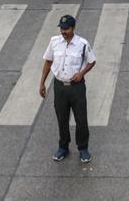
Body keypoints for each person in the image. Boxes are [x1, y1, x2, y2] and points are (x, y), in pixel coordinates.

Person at [39, 14, 96, 163]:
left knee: (81, 119)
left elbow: (92, 61)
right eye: (62, 28)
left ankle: (83, 148)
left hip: (77, 88)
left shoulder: (82, 44)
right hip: (60, 87)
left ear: (73, 28)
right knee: (62, 119)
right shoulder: (54, 42)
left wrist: (81, 73)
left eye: (66, 29)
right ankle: (63, 147)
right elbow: (48, 62)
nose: (63, 31)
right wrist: (42, 83)